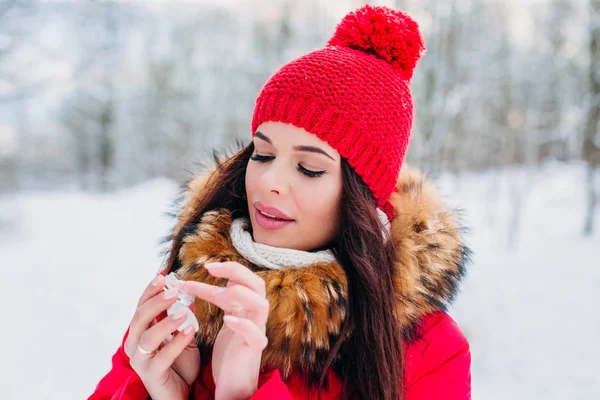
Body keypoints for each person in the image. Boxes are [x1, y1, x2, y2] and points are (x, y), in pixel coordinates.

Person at [89, 4, 471, 400]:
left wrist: (241, 393)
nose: (269, 182)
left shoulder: (432, 351)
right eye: (263, 155)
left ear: (363, 198)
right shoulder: (190, 300)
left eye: (308, 168)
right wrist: (157, 392)